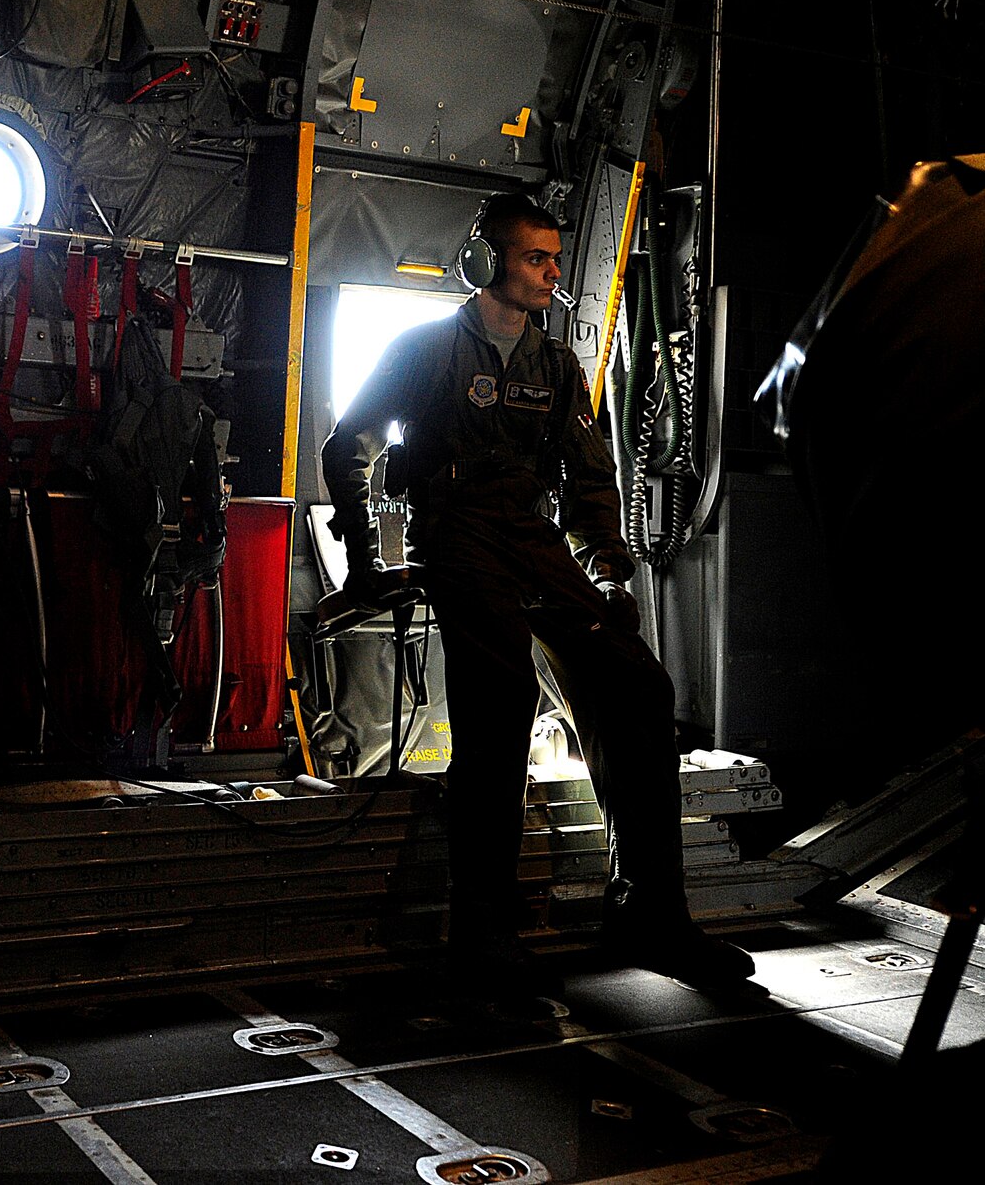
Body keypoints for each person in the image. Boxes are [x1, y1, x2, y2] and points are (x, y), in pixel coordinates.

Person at [317, 194, 753, 1002]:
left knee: (638, 686)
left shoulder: (555, 366)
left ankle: (651, 913)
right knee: (501, 704)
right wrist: (363, 551)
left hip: (529, 539)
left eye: (556, 261)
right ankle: (484, 935)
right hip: (455, 534)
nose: (554, 274)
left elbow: (589, 476)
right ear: (487, 264)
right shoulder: (423, 351)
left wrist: (608, 566)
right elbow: (351, 445)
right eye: (536, 260)